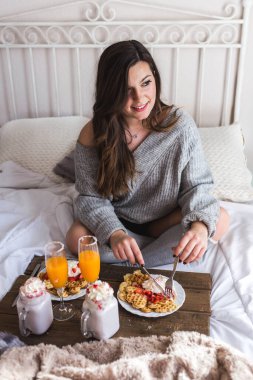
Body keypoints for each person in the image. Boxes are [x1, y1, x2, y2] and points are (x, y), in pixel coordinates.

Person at [66, 40, 229, 267]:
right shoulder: (93, 133)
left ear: (155, 77)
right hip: (117, 221)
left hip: (164, 221)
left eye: (145, 83)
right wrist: (115, 234)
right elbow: (90, 198)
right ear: (111, 92)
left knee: (219, 220)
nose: (140, 98)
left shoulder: (180, 126)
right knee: (76, 238)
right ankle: (146, 258)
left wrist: (200, 228)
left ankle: (134, 263)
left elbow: (197, 187)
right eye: (126, 91)